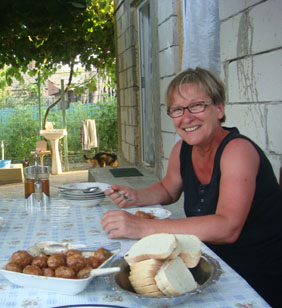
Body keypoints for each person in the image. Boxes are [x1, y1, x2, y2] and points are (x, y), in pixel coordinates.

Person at [100, 67, 282, 307]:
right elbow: (168, 189)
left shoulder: (238, 151)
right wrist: (136, 196)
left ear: (219, 109)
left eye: (197, 105)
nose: (187, 117)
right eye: (177, 109)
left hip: (255, 275)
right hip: (207, 261)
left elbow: (228, 227)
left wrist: (143, 227)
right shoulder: (183, 149)